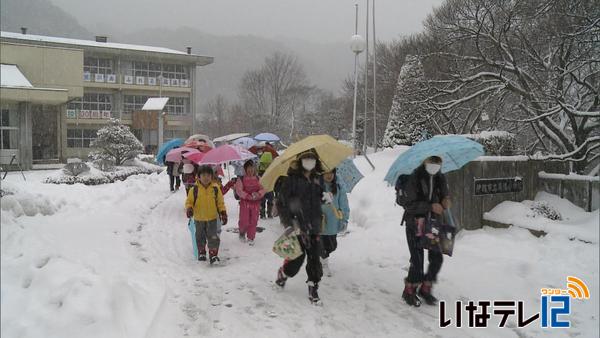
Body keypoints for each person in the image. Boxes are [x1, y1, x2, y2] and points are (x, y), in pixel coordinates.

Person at [274, 150, 325, 304]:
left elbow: (317, 199)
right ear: (300, 161)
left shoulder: (318, 179)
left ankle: (313, 286)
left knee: (315, 258)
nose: (309, 161)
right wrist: (289, 223)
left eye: (312, 159)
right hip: (298, 225)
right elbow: (282, 203)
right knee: (297, 259)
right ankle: (284, 273)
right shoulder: (291, 181)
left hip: (315, 224)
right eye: (306, 158)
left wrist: (324, 197)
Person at [400, 156, 450, 307]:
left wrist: (446, 201)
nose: (434, 165)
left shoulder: (441, 178)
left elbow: (443, 198)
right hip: (415, 223)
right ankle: (409, 290)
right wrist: (430, 207)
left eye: (437, 162)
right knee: (417, 260)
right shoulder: (414, 177)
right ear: (424, 162)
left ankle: (426, 288)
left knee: (437, 258)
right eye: (431, 162)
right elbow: (408, 204)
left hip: (434, 224)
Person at [185, 165, 228, 265]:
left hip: (212, 218)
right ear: (198, 177)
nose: (206, 177)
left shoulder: (215, 189)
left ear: (211, 177)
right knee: (200, 236)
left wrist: (223, 213)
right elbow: (189, 201)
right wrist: (189, 208)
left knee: (213, 236)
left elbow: (220, 203)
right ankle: (202, 252)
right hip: (199, 219)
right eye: (203, 175)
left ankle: (213, 254)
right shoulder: (194, 189)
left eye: (208, 175)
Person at [319, 168, 350, 277]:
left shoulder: (338, 186)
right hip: (321, 221)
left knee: (332, 246)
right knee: (322, 245)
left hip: (334, 221)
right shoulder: (317, 186)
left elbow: (344, 203)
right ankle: (324, 263)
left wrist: (344, 218)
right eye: (326, 173)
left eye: (331, 173)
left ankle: (322, 258)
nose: (329, 175)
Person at [234, 160, 266, 245]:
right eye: (248, 168)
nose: (250, 170)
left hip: (256, 203)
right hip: (245, 203)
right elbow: (239, 190)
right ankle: (242, 232)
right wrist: (247, 196)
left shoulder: (258, 178)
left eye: (252, 168)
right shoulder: (241, 179)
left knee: (254, 220)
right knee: (244, 219)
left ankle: (251, 237)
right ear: (245, 169)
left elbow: (263, 189)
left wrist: (258, 194)